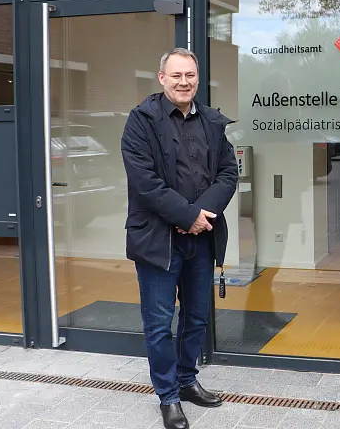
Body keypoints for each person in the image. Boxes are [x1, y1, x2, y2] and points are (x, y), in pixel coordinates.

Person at [121, 47, 238, 429]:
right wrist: (188, 215)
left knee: (197, 318)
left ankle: (187, 380)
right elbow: (145, 183)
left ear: (197, 78)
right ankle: (168, 395)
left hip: (201, 238)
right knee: (158, 323)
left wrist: (199, 217)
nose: (184, 82)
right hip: (157, 240)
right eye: (176, 76)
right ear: (162, 78)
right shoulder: (141, 122)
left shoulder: (212, 121)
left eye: (190, 75)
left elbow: (227, 174)